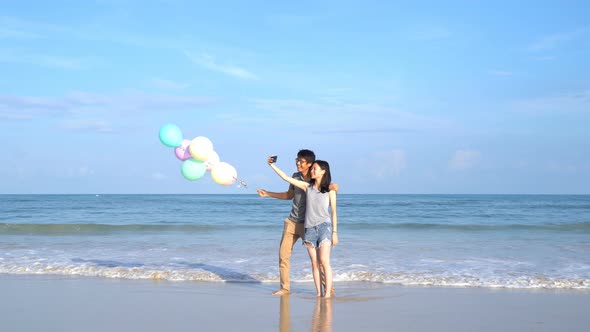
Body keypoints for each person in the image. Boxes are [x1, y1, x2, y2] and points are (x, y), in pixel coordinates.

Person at [257, 150, 337, 296]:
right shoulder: (296, 177)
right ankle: (285, 288)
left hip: (309, 225)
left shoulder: (316, 180)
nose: (297, 163)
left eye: (301, 161)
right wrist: (268, 193)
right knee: (283, 255)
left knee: (318, 260)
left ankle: (328, 288)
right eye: (297, 160)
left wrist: (334, 188)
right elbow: (289, 195)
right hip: (292, 221)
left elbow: (329, 190)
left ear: (311, 164)